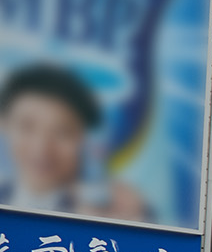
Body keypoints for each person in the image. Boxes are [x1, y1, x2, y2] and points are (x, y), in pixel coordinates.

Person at [0, 64, 149, 221]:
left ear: (85, 139)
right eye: (27, 127)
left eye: (62, 132)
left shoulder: (116, 211)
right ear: (4, 124)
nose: (41, 148)